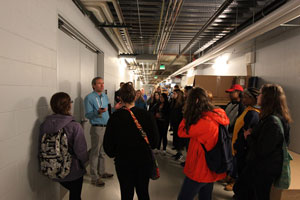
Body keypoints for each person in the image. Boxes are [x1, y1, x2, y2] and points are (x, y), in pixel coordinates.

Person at [234, 84, 292, 200]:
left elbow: (263, 149)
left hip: (263, 168)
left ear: (267, 98)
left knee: (257, 194)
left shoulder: (272, 121)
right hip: (262, 166)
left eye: (260, 93)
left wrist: (248, 136)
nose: (258, 96)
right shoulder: (272, 117)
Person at [103, 83, 159, 200]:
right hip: (143, 160)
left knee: (126, 193)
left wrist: (115, 153)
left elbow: (108, 146)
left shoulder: (114, 118)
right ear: (135, 97)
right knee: (143, 192)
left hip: (123, 162)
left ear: (120, 98)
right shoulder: (147, 115)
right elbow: (154, 142)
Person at [177, 87, 229, 200]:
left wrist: (187, 115)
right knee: (205, 196)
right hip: (208, 167)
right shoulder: (215, 115)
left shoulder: (205, 122)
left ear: (195, 101)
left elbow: (181, 131)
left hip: (199, 169)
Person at [40, 92, 88, 200]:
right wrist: (84, 162)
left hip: (52, 167)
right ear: (68, 106)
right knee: (75, 195)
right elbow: (80, 150)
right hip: (73, 169)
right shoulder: (75, 126)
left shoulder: (45, 125)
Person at [225, 88, 260, 191]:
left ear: (252, 98)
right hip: (238, 144)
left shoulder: (253, 113)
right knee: (236, 164)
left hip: (242, 147)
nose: (242, 99)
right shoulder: (248, 109)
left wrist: (237, 144)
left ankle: (237, 188)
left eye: (245, 97)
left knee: (241, 169)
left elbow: (245, 132)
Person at [84, 77, 113, 187]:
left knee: (102, 152)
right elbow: (87, 115)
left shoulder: (105, 96)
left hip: (106, 127)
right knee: (95, 152)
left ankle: (102, 172)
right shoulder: (89, 98)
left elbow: (107, 111)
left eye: (103, 83)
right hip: (97, 127)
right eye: (99, 83)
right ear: (93, 85)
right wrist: (97, 112)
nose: (102, 85)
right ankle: (94, 177)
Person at [223, 84, 245, 188]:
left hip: (235, 136)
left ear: (239, 93)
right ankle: (229, 175)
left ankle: (234, 180)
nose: (230, 94)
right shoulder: (230, 104)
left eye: (232, 92)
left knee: (235, 157)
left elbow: (239, 121)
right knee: (228, 156)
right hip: (227, 134)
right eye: (229, 93)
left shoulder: (242, 106)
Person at [170, 89, 185, 160]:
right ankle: (178, 152)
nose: (173, 94)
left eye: (174, 93)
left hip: (179, 124)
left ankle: (180, 153)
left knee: (179, 140)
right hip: (175, 124)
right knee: (176, 138)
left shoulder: (182, 103)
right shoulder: (173, 102)